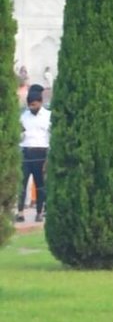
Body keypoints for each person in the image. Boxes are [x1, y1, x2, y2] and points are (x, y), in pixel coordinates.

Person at [16, 84, 49, 224]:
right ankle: (20, 212)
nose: (31, 108)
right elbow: (20, 134)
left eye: (34, 105)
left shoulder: (48, 116)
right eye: (29, 105)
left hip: (41, 153)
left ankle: (39, 212)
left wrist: (49, 157)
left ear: (40, 103)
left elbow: (52, 137)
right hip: (26, 152)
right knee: (22, 183)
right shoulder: (24, 116)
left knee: (40, 184)